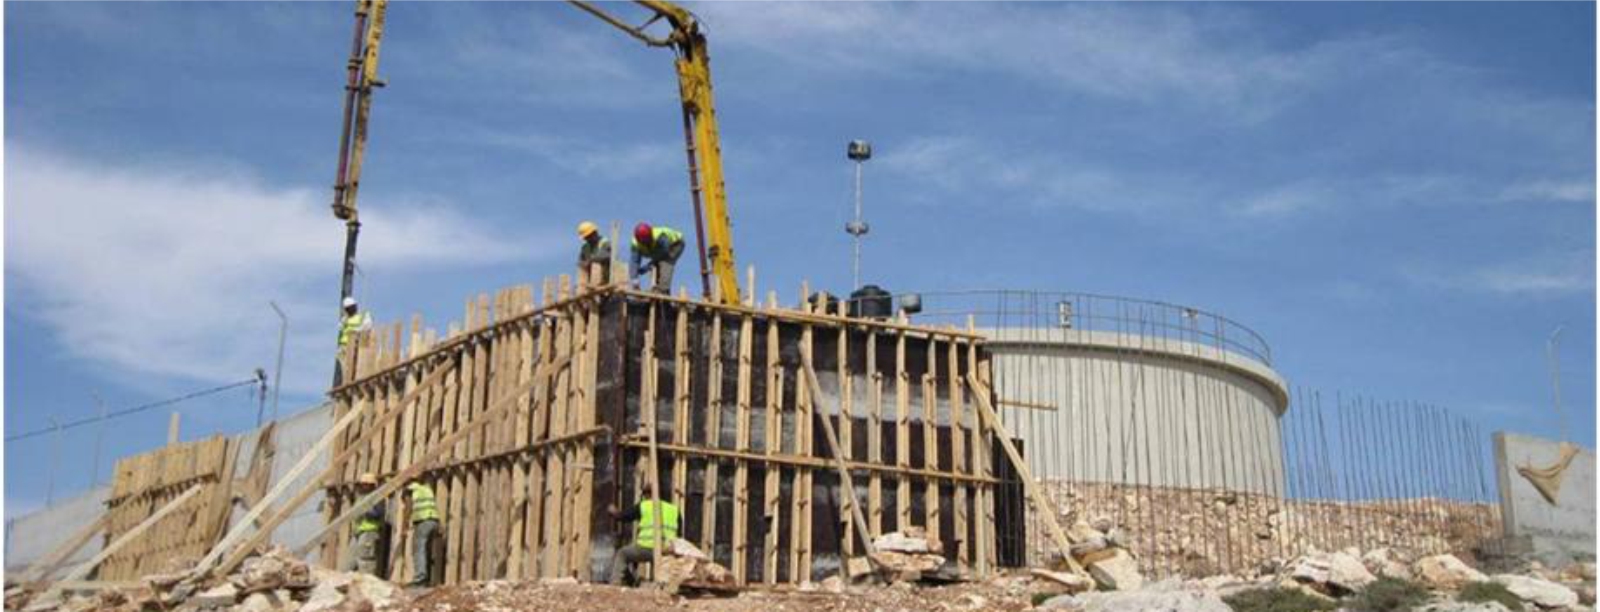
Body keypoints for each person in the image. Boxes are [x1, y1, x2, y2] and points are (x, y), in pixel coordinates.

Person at [606, 482, 679, 586]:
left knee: (622, 554)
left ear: (646, 494)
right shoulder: (674, 510)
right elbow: (679, 534)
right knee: (661, 568)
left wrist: (613, 512)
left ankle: (615, 583)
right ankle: (647, 583)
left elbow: (624, 516)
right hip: (666, 550)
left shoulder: (645, 505)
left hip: (646, 548)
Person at [346, 473, 386, 576]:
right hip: (358, 531)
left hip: (369, 531)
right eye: (362, 484)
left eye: (366, 484)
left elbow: (379, 513)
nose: (363, 486)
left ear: (372, 485)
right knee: (349, 561)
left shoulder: (377, 497)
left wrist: (366, 511)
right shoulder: (360, 497)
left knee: (365, 560)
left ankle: (367, 584)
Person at [629, 222, 684, 294]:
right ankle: (661, 288)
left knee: (665, 262)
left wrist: (648, 265)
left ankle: (663, 289)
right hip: (658, 250)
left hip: (675, 244)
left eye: (648, 240)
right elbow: (634, 262)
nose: (646, 243)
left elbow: (664, 253)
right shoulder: (635, 244)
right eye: (644, 242)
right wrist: (634, 280)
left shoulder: (660, 237)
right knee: (657, 264)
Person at [406, 480, 442, 587]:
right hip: (434, 521)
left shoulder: (410, 490)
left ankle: (420, 579)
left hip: (423, 522)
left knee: (418, 550)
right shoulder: (427, 489)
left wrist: (405, 524)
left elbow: (408, 507)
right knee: (430, 550)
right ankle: (433, 579)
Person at [334, 296, 372, 385]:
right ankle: (346, 383)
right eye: (347, 308)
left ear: (355, 306)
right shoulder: (344, 320)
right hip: (343, 348)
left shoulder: (363, 316)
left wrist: (356, 330)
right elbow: (341, 331)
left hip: (355, 345)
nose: (349, 310)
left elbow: (367, 326)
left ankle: (353, 381)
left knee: (355, 366)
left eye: (351, 307)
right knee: (345, 369)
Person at [576, 221, 611, 285]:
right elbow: (581, 261)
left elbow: (608, 255)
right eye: (585, 238)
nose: (587, 239)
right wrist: (582, 264)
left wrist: (590, 260)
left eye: (588, 237)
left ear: (595, 233)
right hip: (590, 281)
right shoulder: (585, 247)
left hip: (606, 280)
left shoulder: (604, 242)